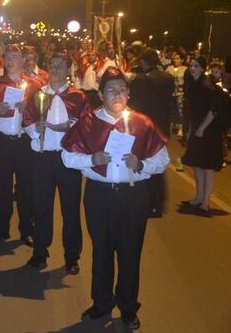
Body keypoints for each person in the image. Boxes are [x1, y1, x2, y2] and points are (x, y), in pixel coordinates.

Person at [62, 67, 168, 330]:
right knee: (102, 251)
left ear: (128, 93)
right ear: (100, 94)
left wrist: (141, 164)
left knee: (130, 253)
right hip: (100, 196)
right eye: (111, 90)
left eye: (121, 89)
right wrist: (91, 159)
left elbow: (163, 159)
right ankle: (101, 303)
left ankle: (129, 307)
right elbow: (67, 157)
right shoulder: (88, 123)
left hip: (133, 197)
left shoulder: (142, 123)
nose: (117, 94)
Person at [22, 52, 89, 273]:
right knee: (41, 207)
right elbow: (27, 121)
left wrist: (71, 126)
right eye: (53, 65)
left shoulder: (78, 96)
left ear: (68, 69)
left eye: (61, 66)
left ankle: (72, 256)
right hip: (43, 157)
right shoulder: (39, 94)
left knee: (70, 209)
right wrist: (35, 129)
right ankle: (40, 252)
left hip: (67, 159)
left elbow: (88, 126)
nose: (57, 69)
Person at [0, 44, 42, 245]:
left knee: (26, 187)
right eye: (7, 57)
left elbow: (43, 110)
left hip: (24, 141)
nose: (9, 60)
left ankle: (26, 229)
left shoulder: (34, 84)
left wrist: (30, 107)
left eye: (14, 56)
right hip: (2, 141)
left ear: (24, 59)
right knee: (2, 187)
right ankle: (1, 228)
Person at [128, 48, 175, 217]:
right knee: (159, 162)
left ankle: (151, 202)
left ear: (143, 62)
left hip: (147, 126)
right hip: (163, 124)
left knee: (147, 162)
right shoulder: (168, 78)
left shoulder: (141, 80)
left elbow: (134, 103)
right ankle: (159, 202)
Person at [181, 56, 225, 216]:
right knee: (196, 164)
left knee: (207, 167)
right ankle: (198, 197)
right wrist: (192, 130)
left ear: (202, 68)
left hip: (208, 132)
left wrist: (201, 129)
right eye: (191, 65)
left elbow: (213, 110)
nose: (192, 68)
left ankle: (206, 202)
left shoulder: (207, 86)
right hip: (198, 129)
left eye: (196, 66)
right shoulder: (194, 85)